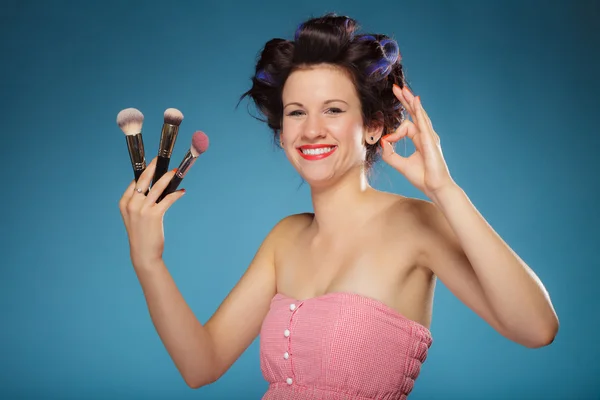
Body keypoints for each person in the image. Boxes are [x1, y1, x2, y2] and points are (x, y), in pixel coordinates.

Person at [118, 14, 559, 399]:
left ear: (371, 126)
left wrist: (445, 190)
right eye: (295, 112)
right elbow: (202, 366)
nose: (311, 130)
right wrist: (148, 259)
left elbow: (537, 329)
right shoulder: (285, 238)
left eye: (332, 109)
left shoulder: (415, 224)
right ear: (281, 130)